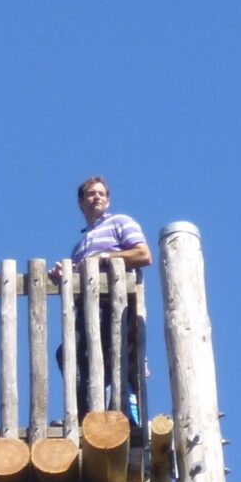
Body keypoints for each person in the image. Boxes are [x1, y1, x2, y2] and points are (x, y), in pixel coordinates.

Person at [67, 176, 148, 420]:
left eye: (102, 194)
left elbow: (143, 254)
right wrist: (65, 272)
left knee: (111, 355)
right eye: (91, 194)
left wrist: (106, 258)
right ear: (81, 202)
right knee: (72, 354)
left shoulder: (119, 223)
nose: (97, 197)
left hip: (113, 302)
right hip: (87, 308)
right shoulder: (80, 244)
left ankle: (118, 411)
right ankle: (88, 414)